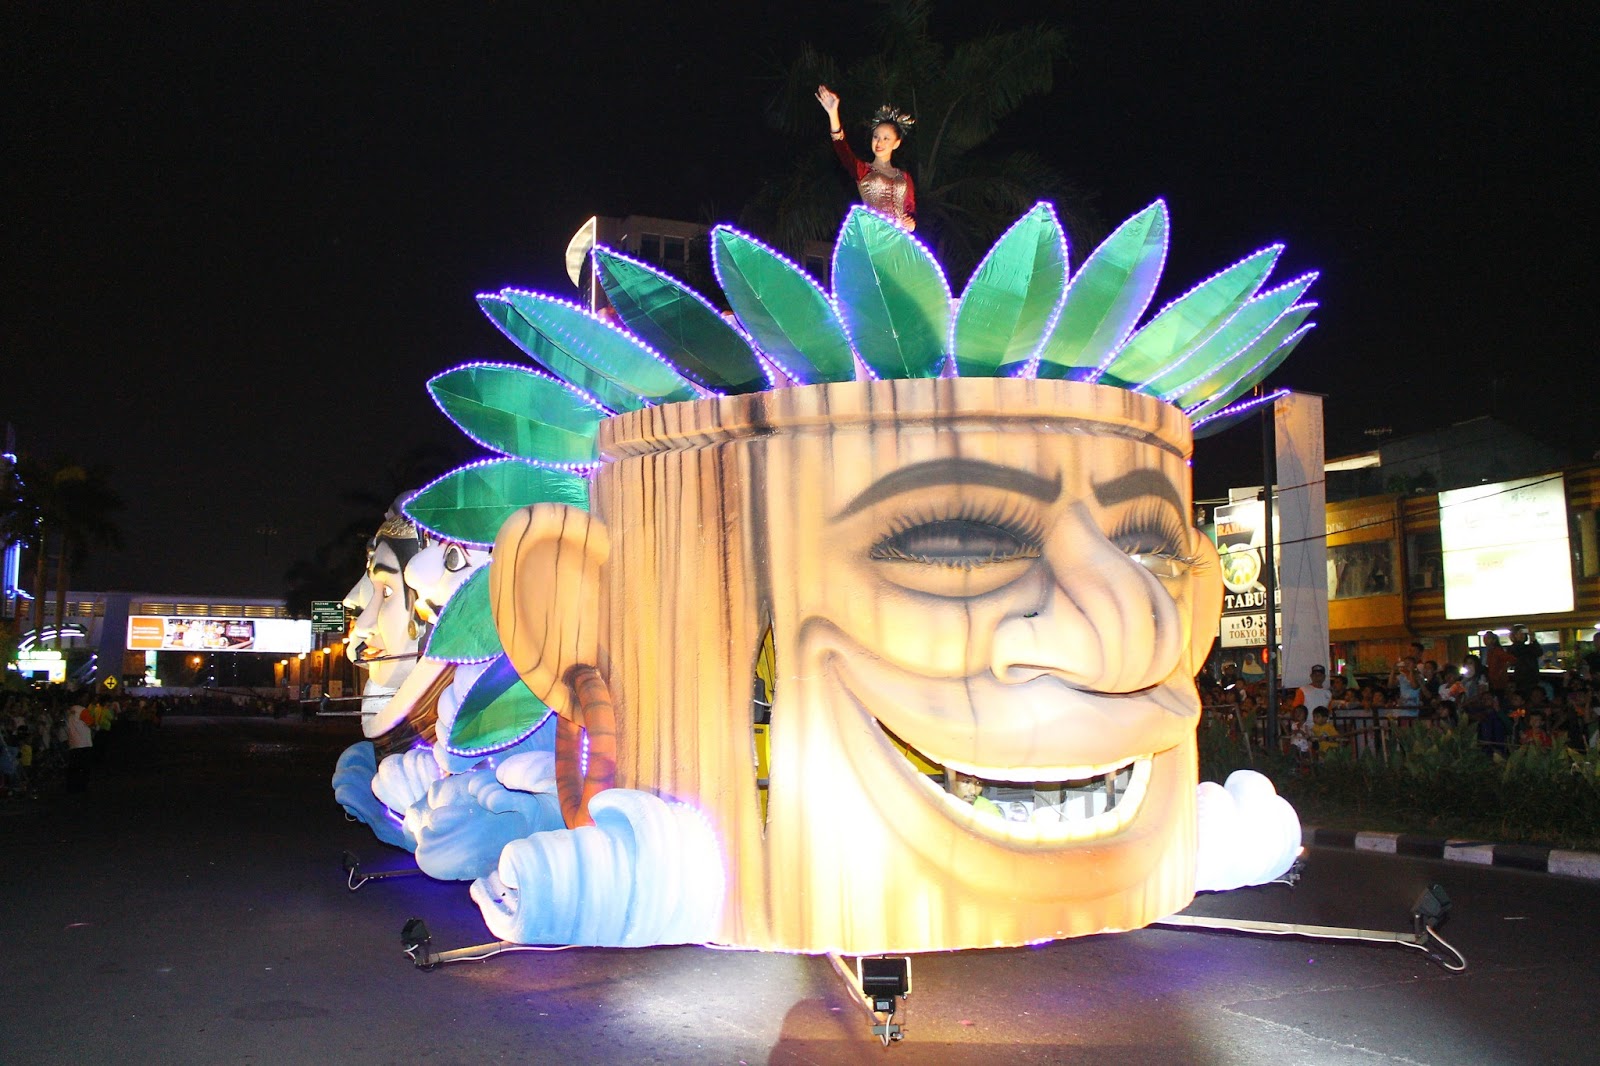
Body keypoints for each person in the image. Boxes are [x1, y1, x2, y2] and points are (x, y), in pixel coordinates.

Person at [816, 84, 916, 231]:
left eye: (886, 138)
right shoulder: (863, 170)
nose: (879, 142)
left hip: (899, 238)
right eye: (876, 137)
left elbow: (910, 210)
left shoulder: (905, 177)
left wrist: (911, 224)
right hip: (873, 235)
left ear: (896, 143)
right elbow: (841, 146)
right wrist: (833, 114)